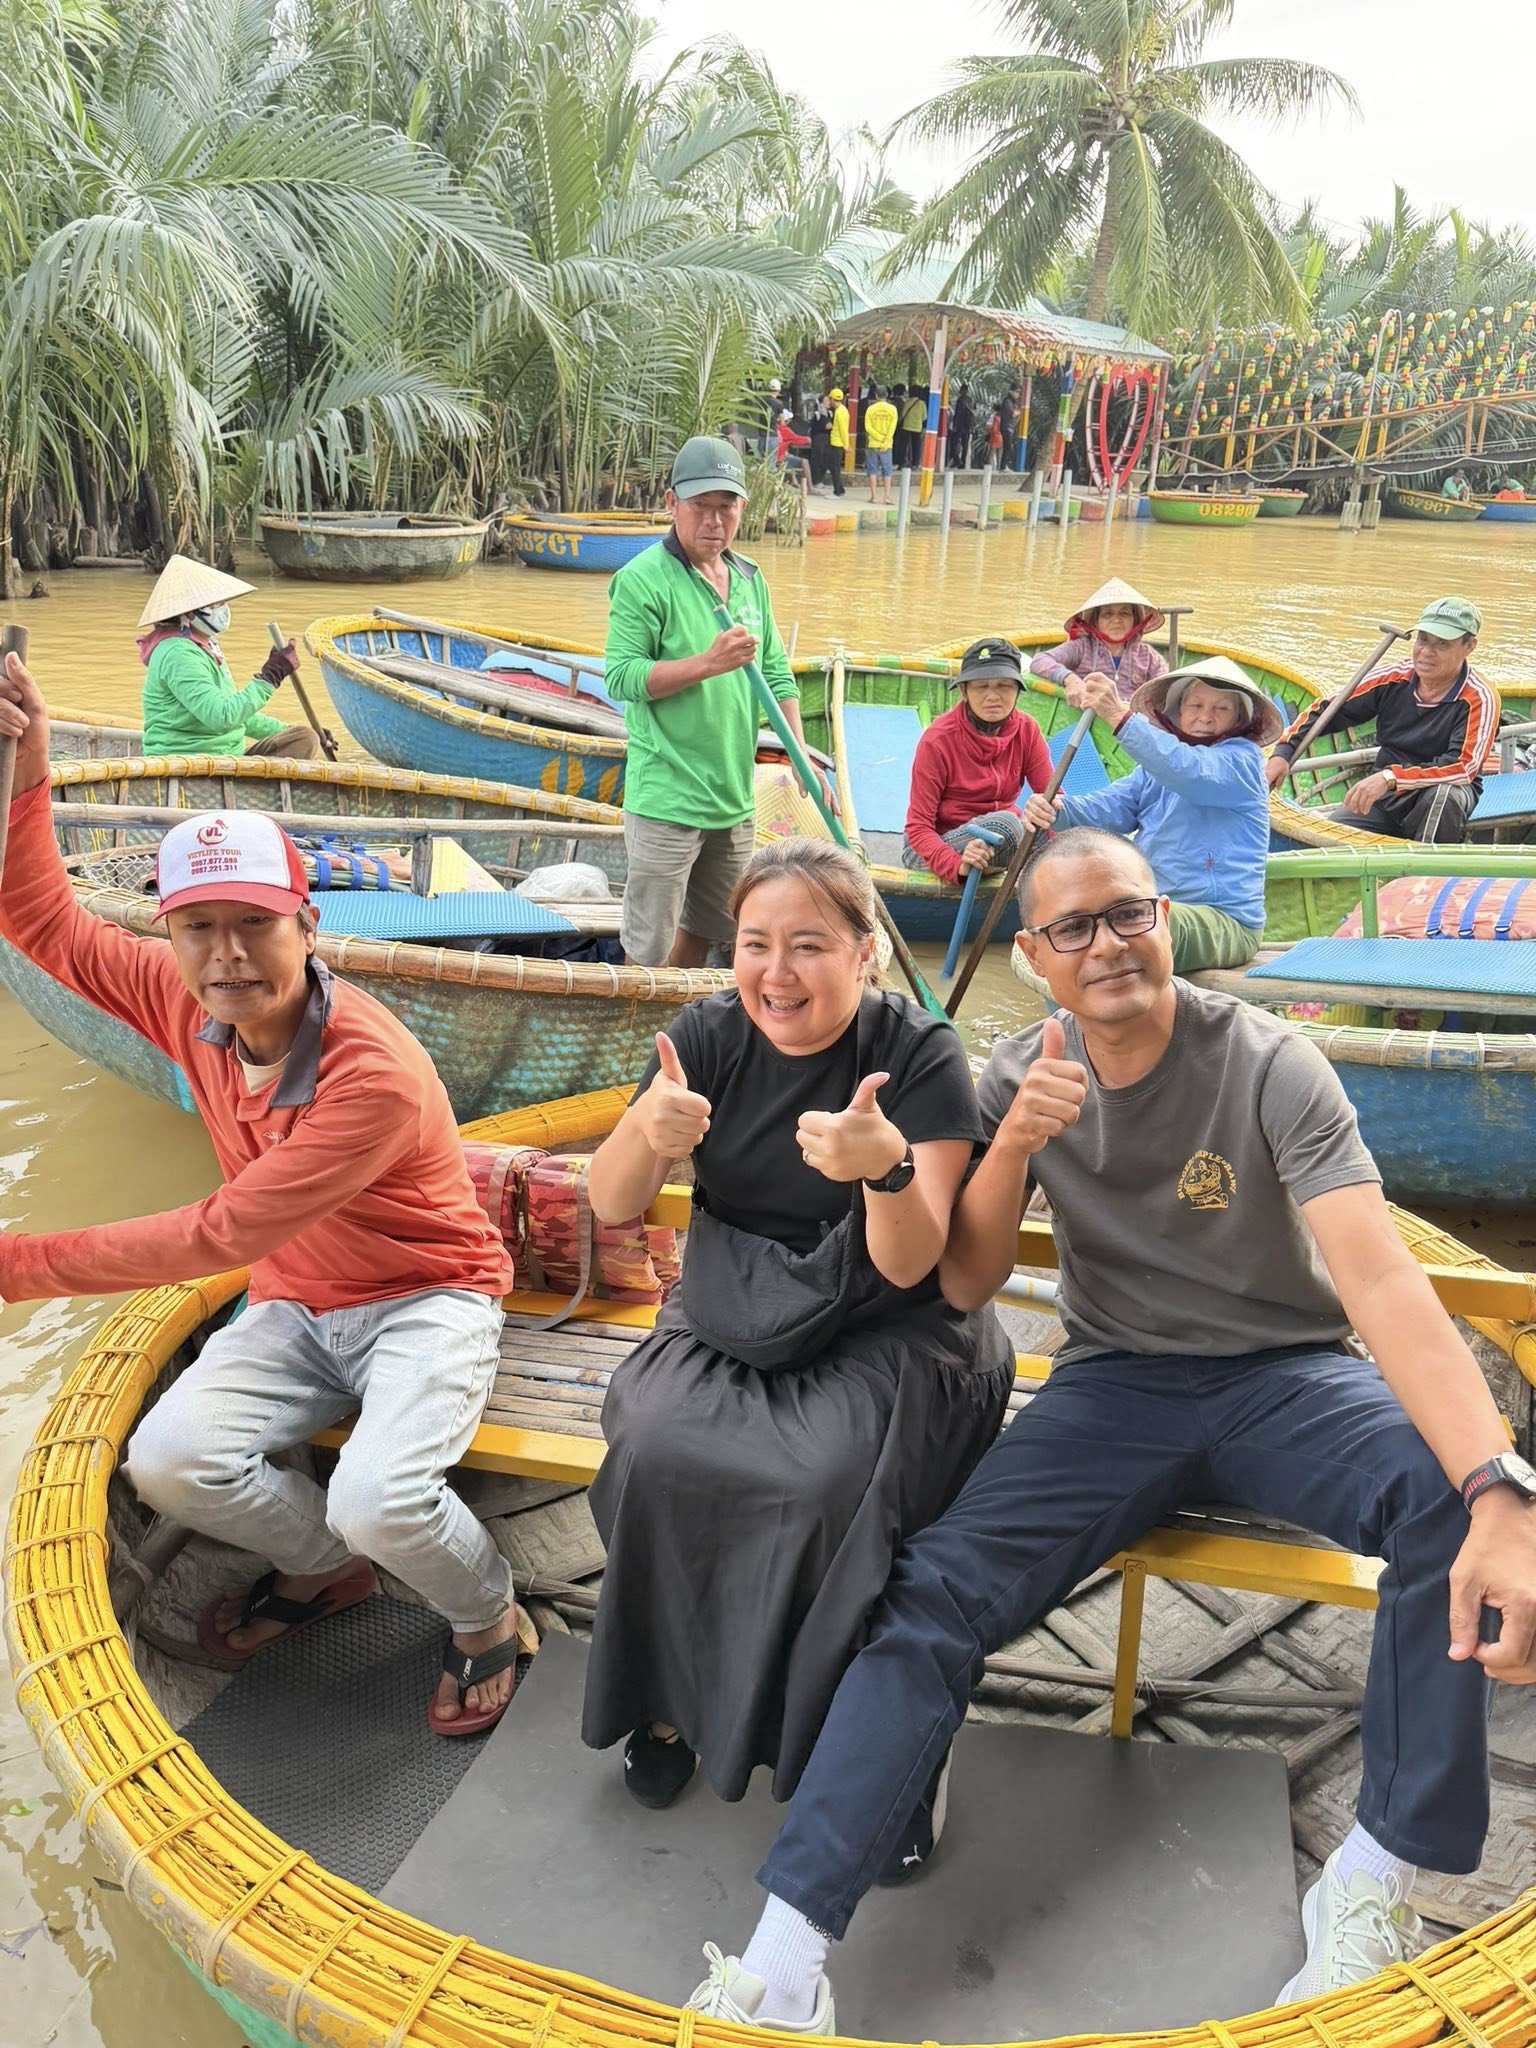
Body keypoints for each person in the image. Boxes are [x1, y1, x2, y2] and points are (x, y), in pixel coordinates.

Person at [686, 826, 1536, 2036]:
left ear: (1164, 919)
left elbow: (1381, 1280)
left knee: (1450, 1500)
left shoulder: (1270, 1062)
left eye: (1128, 912)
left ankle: (1375, 1874)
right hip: (1115, 1386)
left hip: (1285, 1374)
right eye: (1073, 928)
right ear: (1035, 956)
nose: (1108, 944)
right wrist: (1015, 1140)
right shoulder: (1017, 1070)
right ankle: (785, 1955)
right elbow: (968, 1281)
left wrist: (1499, 1486)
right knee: (930, 1589)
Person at [0, 650, 530, 1737]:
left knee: (379, 1493)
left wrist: (16, 1266)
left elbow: (221, 1231)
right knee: (166, 1463)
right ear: (170, 935)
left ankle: (487, 1614)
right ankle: (330, 1563)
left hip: (428, 1297)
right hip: (295, 1299)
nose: (227, 955)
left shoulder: (369, 1073)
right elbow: (38, 919)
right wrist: (29, 758)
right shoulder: (182, 997)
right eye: (199, 926)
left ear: (308, 927)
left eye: (254, 923)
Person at [580, 836, 1014, 1814]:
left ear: (865, 952)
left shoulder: (920, 1053)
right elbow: (612, 1202)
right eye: (755, 944)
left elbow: (914, 1264)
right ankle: (670, 1698)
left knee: (819, 1484)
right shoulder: (706, 1034)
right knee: (652, 1446)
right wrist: (646, 1131)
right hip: (736, 1305)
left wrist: (886, 1169)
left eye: (809, 945)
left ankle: (856, 1731)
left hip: (894, 1328)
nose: (777, 973)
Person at [604, 436, 820, 969]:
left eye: (727, 507)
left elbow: (776, 674)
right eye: (700, 505)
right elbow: (622, 677)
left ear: (742, 508)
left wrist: (799, 752)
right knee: (647, 947)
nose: (714, 521)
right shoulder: (642, 580)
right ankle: (637, 1022)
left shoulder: (748, 578)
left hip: (732, 794)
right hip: (667, 795)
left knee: (713, 929)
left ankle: (682, 1019)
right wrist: (707, 663)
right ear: (672, 502)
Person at [1024, 656, 1275, 974]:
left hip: (1224, 921)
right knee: (1071, 929)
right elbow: (1109, 807)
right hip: (1151, 906)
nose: (1205, 717)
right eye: (1196, 706)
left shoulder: (1243, 761)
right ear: (1179, 711)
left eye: (1221, 708)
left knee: (1143, 922)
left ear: (1239, 718)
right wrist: (1057, 809)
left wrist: (1118, 716)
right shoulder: (1154, 769)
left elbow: (1190, 771)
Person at [1266, 598, 1497, 844]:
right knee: (1327, 839)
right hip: (1387, 795)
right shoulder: (1393, 678)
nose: (1427, 652)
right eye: (1423, 639)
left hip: (1436, 793)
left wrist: (1390, 778)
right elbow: (1327, 710)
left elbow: (1462, 768)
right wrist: (1284, 752)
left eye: (1442, 643)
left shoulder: (1478, 696)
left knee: (1444, 795)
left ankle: (1426, 864)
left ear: (1469, 646)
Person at [138, 555, 333, 760]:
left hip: (226, 757)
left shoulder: (205, 647)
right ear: (190, 613)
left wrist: (288, 731)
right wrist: (270, 676)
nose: (223, 608)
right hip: (190, 762)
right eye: (216, 604)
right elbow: (223, 717)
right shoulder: (178, 654)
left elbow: (240, 717)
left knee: (303, 738)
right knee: (304, 739)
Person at [902, 639, 1051, 886]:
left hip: (1001, 840)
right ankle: (1002, 869)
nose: (993, 696)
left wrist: (1063, 845)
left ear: (1017, 689)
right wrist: (957, 865)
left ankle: (1001, 868)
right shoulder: (938, 740)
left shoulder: (1027, 730)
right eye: (981, 686)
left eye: (1004, 685)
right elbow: (918, 828)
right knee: (1006, 825)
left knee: (1057, 824)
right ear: (964, 691)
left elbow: (1051, 796)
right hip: (938, 845)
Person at [1030, 578, 1169, 702]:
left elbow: (1165, 688)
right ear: (1095, 621)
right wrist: (1071, 680)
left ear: (1135, 620)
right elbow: (1040, 660)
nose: (1116, 620)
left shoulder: (1149, 657)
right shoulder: (1082, 648)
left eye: (1124, 613)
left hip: (1131, 718)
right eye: (1107, 614)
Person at [861, 384, 897, 505]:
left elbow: (868, 427)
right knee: (887, 471)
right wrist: (885, 441)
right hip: (887, 445)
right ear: (887, 395)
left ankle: (873, 496)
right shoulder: (892, 409)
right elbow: (892, 428)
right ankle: (887, 497)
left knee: (872, 471)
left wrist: (878, 438)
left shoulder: (870, 409)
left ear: (876, 396)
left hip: (873, 444)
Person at [775, 410, 812, 502]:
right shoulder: (785, 430)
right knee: (804, 462)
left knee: (789, 456)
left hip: (777, 457)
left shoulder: (773, 429)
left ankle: (794, 480)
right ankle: (810, 488)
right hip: (781, 458)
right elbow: (797, 439)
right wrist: (808, 439)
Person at [825, 388, 849, 497]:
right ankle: (840, 489)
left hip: (837, 443)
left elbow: (843, 430)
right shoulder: (842, 410)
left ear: (832, 399)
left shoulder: (840, 412)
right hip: (837, 442)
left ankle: (837, 491)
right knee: (834, 467)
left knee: (834, 468)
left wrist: (846, 445)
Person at [898, 384, 928, 470]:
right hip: (917, 427)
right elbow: (924, 417)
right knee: (916, 446)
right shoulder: (922, 404)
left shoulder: (907, 402)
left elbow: (903, 414)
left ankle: (901, 463)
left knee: (903, 446)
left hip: (906, 426)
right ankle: (915, 464)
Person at [947, 384, 975, 470]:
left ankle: (958, 461)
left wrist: (954, 426)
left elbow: (958, 414)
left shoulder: (960, 400)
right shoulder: (971, 401)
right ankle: (962, 463)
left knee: (954, 446)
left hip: (960, 427)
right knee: (965, 446)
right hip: (968, 427)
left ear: (962, 391)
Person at [1000, 384, 1022, 470]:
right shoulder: (1007, 401)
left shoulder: (1013, 402)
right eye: (1016, 392)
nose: (1018, 394)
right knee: (1007, 446)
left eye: (1019, 393)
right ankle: (1003, 466)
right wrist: (1020, 412)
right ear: (1011, 391)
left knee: (1008, 446)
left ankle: (1004, 465)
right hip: (1006, 427)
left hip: (1010, 427)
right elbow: (1012, 413)